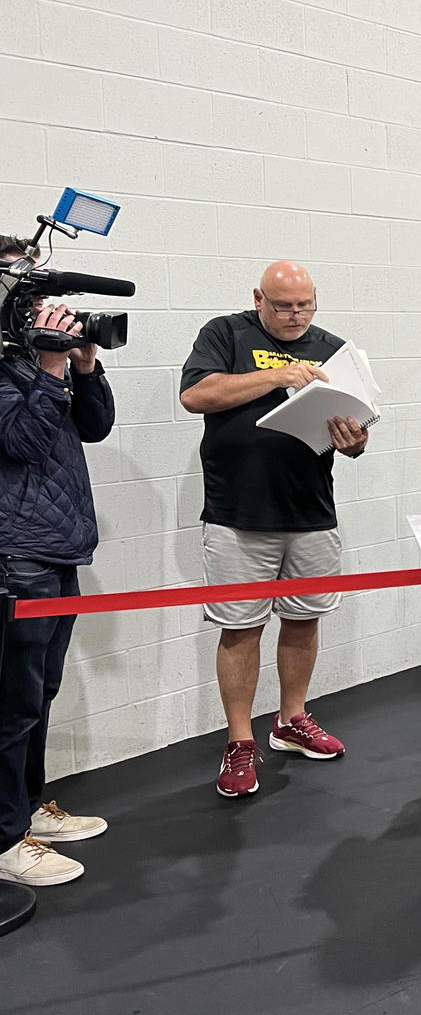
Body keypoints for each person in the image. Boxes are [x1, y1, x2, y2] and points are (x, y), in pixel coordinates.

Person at [179, 261, 369, 800]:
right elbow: (197, 396)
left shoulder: (332, 347)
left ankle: (291, 719)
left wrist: (354, 440)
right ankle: (240, 741)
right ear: (258, 298)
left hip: (309, 508)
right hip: (238, 512)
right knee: (240, 628)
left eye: (305, 305)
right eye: (283, 305)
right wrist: (280, 374)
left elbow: (357, 433)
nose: (295, 315)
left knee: (304, 620)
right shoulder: (226, 332)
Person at [0, 235, 114, 887]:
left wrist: (85, 363)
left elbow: (93, 426)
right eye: (32, 289)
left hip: (57, 545)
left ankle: (28, 810)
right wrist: (48, 367)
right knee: (12, 703)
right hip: (16, 554)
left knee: (38, 694)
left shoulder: (36, 361)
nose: (47, 303)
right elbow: (19, 440)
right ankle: (5, 837)